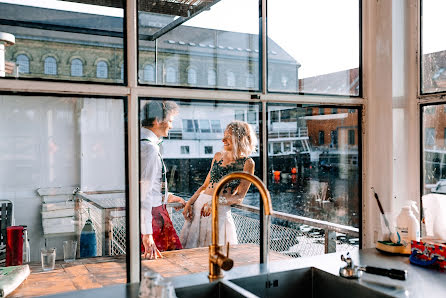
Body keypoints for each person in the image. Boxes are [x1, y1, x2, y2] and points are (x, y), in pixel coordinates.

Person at [180, 121, 257, 248]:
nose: (223, 140)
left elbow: (239, 197)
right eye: (224, 135)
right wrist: (190, 202)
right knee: (192, 251)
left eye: (228, 136)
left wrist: (215, 202)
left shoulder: (248, 163)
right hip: (199, 207)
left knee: (218, 254)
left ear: (240, 138)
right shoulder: (217, 156)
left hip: (219, 211)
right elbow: (205, 186)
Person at [140, 100, 186, 259]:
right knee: (171, 262)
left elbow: (147, 186)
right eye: (170, 121)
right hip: (153, 217)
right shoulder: (149, 149)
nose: (171, 126)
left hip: (154, 213)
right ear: (156, 121)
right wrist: (147, 234)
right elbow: (143, 194)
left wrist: (167, 197)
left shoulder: (140, 143)